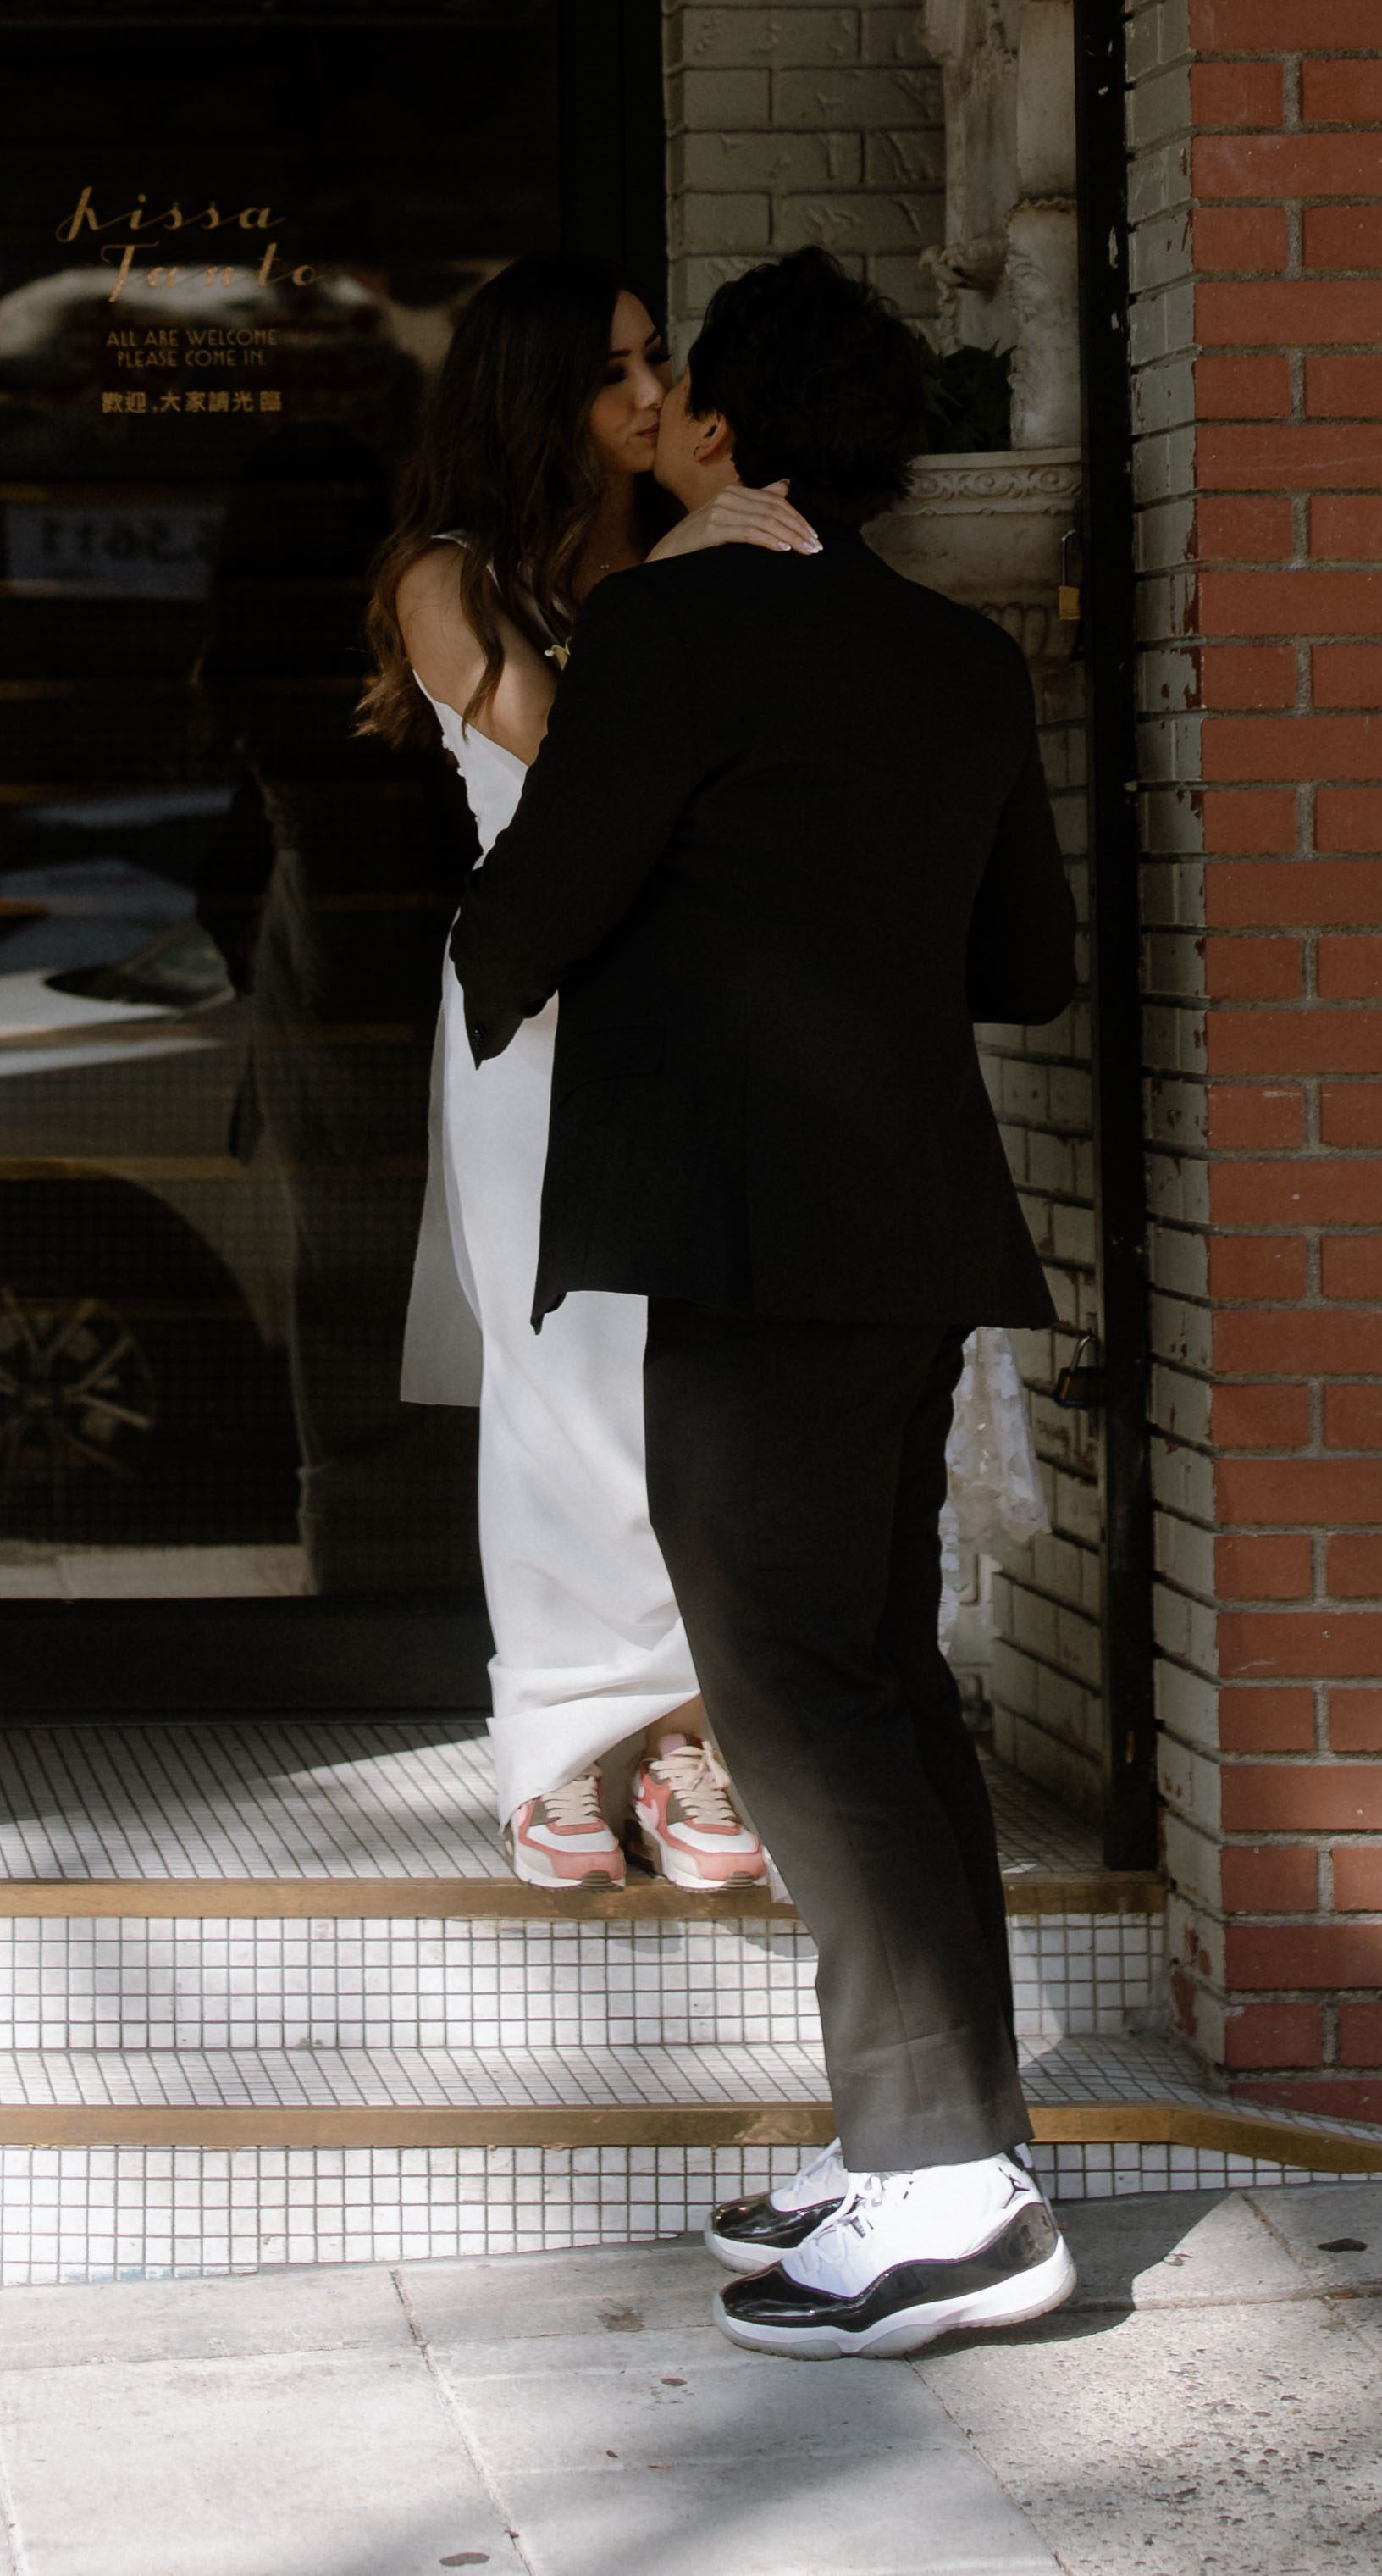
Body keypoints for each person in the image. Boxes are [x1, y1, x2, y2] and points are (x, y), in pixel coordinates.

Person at [451, 246, 1082, 2363]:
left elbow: (541, 899)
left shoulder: (668, 627)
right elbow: (1025, 966)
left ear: (725, 433)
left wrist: (511, 952)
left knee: (801, 1704)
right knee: (881, 1689)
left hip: (747, 1241)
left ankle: (950, 2194)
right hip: (918, 1242)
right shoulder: (963, 660)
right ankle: (934, 2130)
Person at [359, 254, 810, 1892]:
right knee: (562, 1391)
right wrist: (677, 560)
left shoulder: (665, 544)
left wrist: (701, 522)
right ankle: (573, 1746)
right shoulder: (448, 575)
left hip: (691, 1000)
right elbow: (578, 757)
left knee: (676, 1377)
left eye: (654, 360)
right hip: (538, 1016)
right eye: (613, 369)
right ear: (532, 393)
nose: (646, 392)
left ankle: (688, 1736)